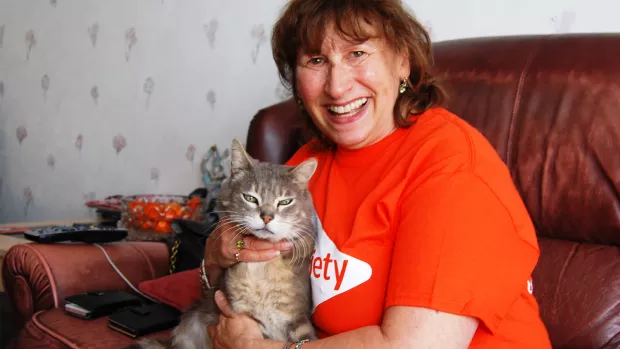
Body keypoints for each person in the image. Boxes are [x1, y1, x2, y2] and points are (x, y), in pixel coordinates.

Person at [202, 0, 552, 348]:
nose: (337, 87)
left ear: (402, 61)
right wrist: (214, 259)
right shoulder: (305, 166)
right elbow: (243, 283)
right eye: (317, 60)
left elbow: (415, 346)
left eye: (357, 54)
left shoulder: (451, 167)